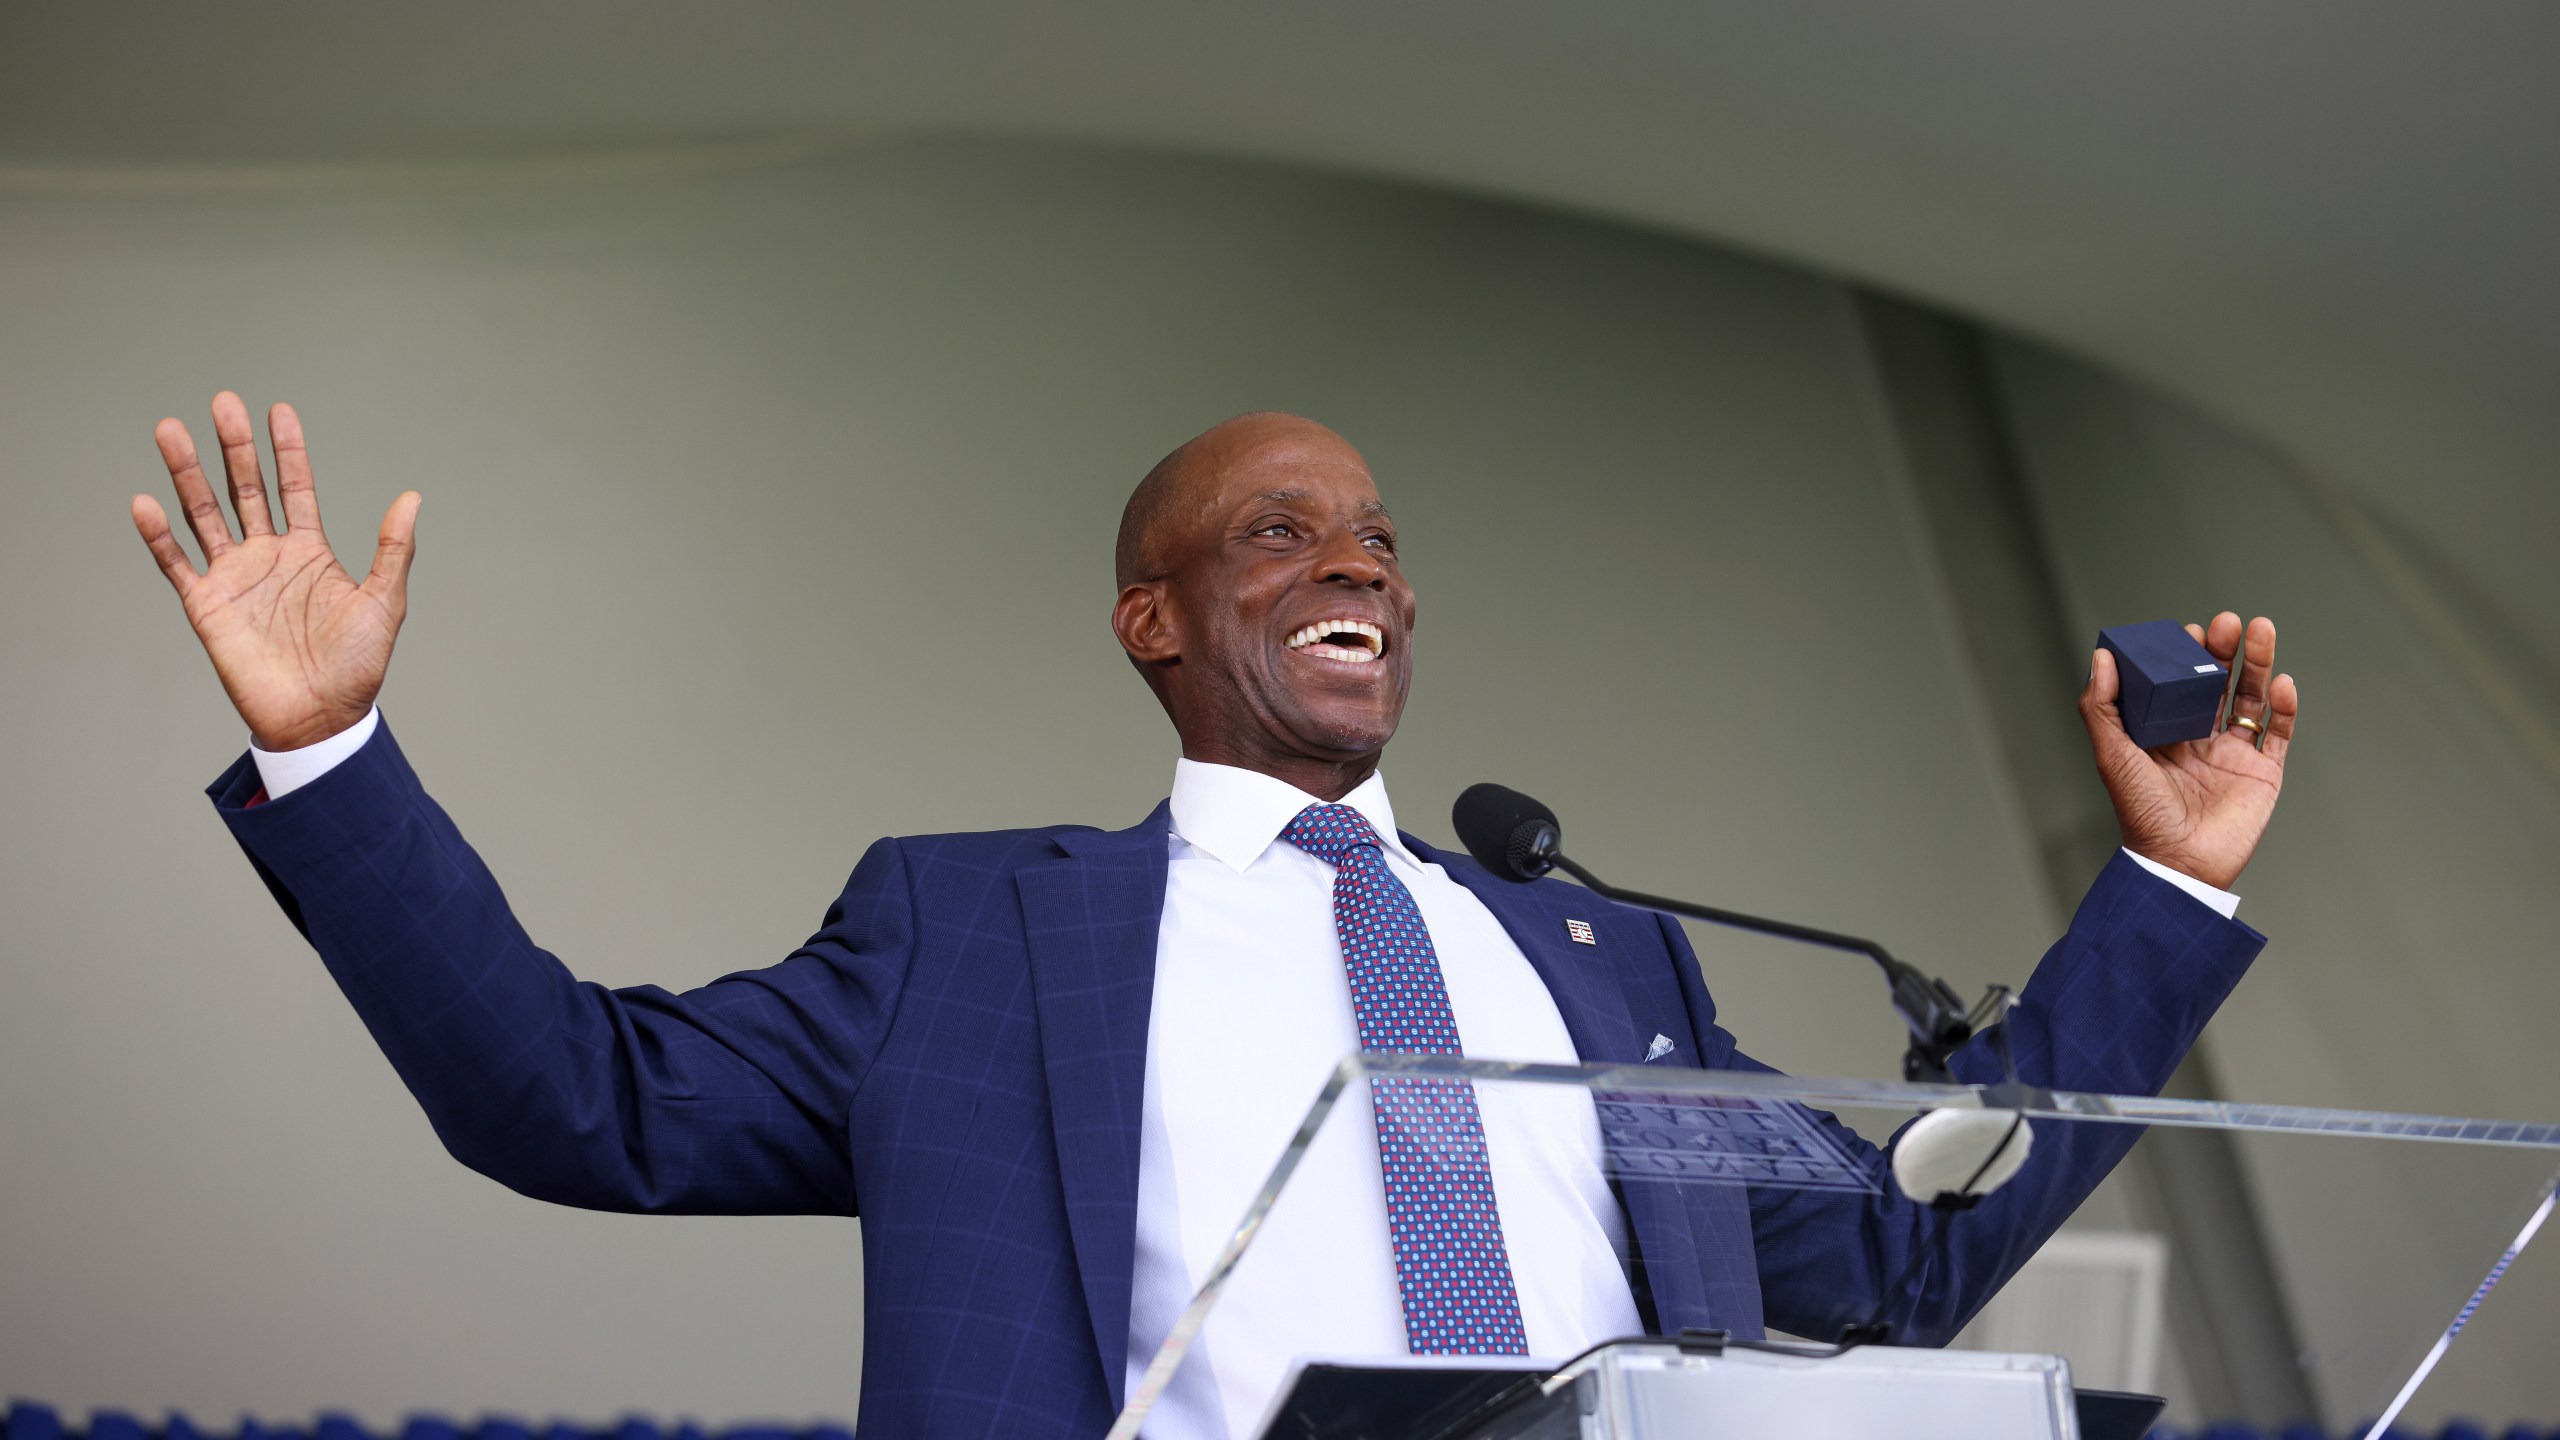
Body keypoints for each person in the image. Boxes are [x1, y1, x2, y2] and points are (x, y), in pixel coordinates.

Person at [133, 396, 2300, 1439]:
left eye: (1374, 535)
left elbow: (1899, 1247)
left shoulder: (1587, 953)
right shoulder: (971, 940)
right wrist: (335, 755)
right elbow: (571, 1099)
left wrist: (2170, 878)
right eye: (1281, 533)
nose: (1359, 563)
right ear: (1150, 621)